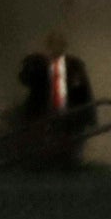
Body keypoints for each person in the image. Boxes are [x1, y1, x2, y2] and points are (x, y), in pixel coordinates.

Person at [12, 34, 97, 171]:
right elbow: (25, 80)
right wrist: (31, 64)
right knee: (46, 149)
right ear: (48, 47)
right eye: (53, 45)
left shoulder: (74, 65)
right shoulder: (40, 65)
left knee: (72, 150)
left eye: (59, 45)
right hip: (45, 115)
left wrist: (89, 116)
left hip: (71, 114)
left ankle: (71, 166)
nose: (56, 48)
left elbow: (84, 91)